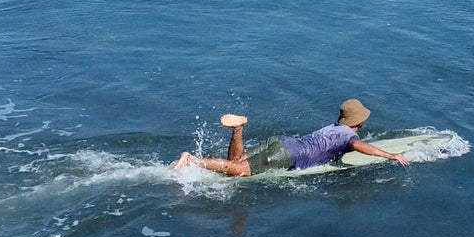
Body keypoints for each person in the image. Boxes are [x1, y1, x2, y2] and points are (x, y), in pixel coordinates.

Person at [173, 98, 409, 177]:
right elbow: (359, 146)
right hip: (288, 155)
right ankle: (192, 160)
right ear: (360, 122)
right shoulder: (348, 136)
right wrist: (390, 156)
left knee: (236, 162)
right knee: (240, 172)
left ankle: (239, 129)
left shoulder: (334, 127)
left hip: (282, 142)